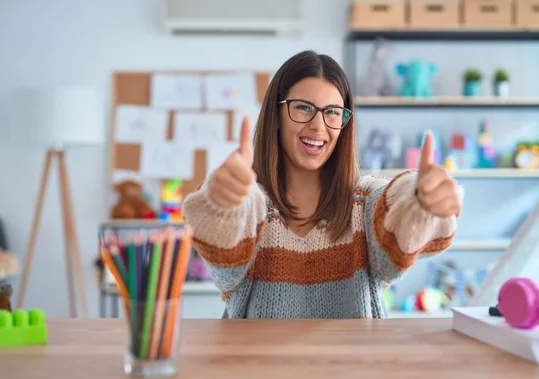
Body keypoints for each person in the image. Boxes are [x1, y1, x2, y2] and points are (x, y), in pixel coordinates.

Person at [182, 50, 463, 319]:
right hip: (258, 368)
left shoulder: (363, 202)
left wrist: (421, 201)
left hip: (352, 368)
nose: (319, 126)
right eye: (303, 108)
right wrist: (222, 205)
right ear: (276, 115)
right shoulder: (251, 205)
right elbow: (222, 248)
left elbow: (394, 209)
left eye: (332, 112)